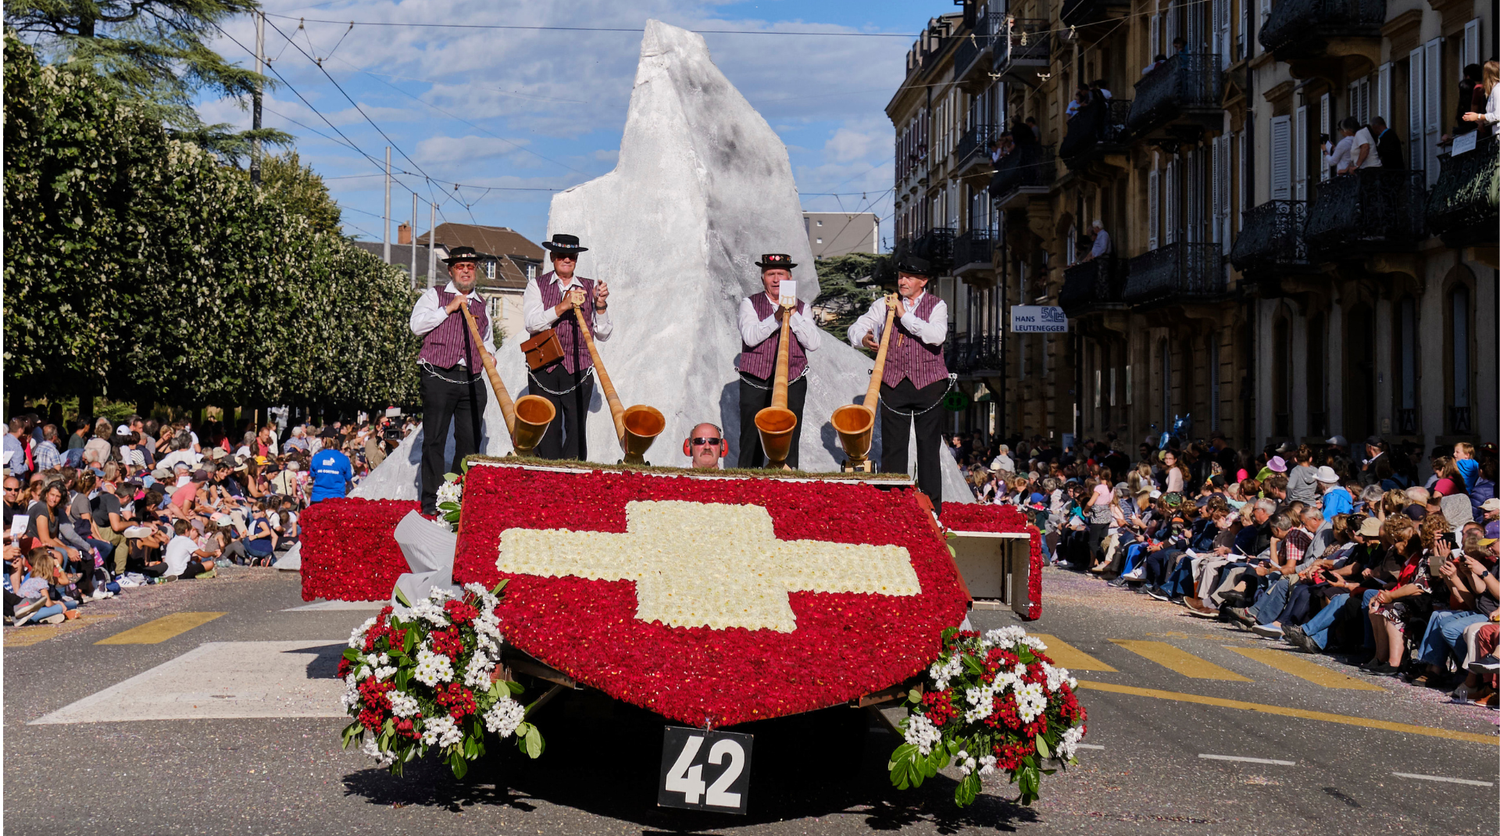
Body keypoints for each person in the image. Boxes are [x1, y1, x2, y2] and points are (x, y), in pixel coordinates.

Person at [848, 254, 950, 512]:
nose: (903, 281)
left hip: (929, 383)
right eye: (901, 276)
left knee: (929, 449)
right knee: (893, 449)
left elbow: (936, 337)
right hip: (893, 382)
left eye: (910, 277)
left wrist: (904, 316)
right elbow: (857, 327)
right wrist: (863, 337)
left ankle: (931, 511)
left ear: (923, 281)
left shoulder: (937, 306)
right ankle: (892, 507)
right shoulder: (883, 305)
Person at [409, 245, 497, 515]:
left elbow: (488, 341)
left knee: (470, 442)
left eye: (471, 266)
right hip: (438, 375)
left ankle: (458, 498)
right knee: (434, 439)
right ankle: (431, 503)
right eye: (461, 266)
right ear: (451, 270)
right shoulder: (434, 296)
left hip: (471, 378)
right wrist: (448, 309)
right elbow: (416, 326)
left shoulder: (482, 304)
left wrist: (491, 356)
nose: (466, 271)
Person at [523, 233, 612, 462]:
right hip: (544, 367)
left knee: (576, 432)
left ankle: (575, 485)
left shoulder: (590, 287)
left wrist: (600, 306)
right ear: (552, 257)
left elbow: (603, 333)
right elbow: (531, 323)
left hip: (579, 369)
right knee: (548, 432)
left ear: (576, 259)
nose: (566, 259)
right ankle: (549, 481)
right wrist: (561, 306)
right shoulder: (537, 285)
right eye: (561, 255)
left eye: (571, 256)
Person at [736, 253, 821, 469]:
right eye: (770, 274)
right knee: (751, 438)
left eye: (780, 274)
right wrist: (776, 317)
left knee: (789, 438)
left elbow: (813, 343)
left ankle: (788, 487)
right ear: (763, 278)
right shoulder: (750, 303)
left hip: (792, 379)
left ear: (789, 279)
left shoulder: (802, 308)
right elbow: (750, 336)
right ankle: (747, 483)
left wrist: (793, 315)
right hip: (755, 380)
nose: (775, 279)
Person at [1461, 60, 1500, 130]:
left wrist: (1478, 116)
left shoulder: (1497, 89)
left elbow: (1497, 115)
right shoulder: (1493, 90)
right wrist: (1483, 122)